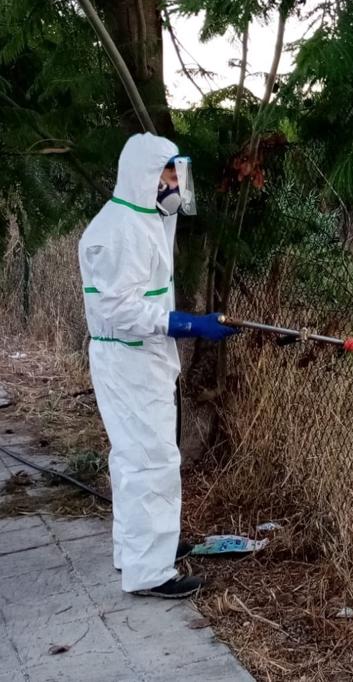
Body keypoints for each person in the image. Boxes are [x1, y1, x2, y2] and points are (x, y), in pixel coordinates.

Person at [78, 133, 238, 598]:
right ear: (145, 174)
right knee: (151, 460)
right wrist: (185, 324)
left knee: (134, 457)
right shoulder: (120, 230)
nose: (176, 183)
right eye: (170, 172)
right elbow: (119, 310)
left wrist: (181, 325)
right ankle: (151, 571)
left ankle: (142, 550)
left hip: (136, 359)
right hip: (128, 360)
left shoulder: (143, 220)